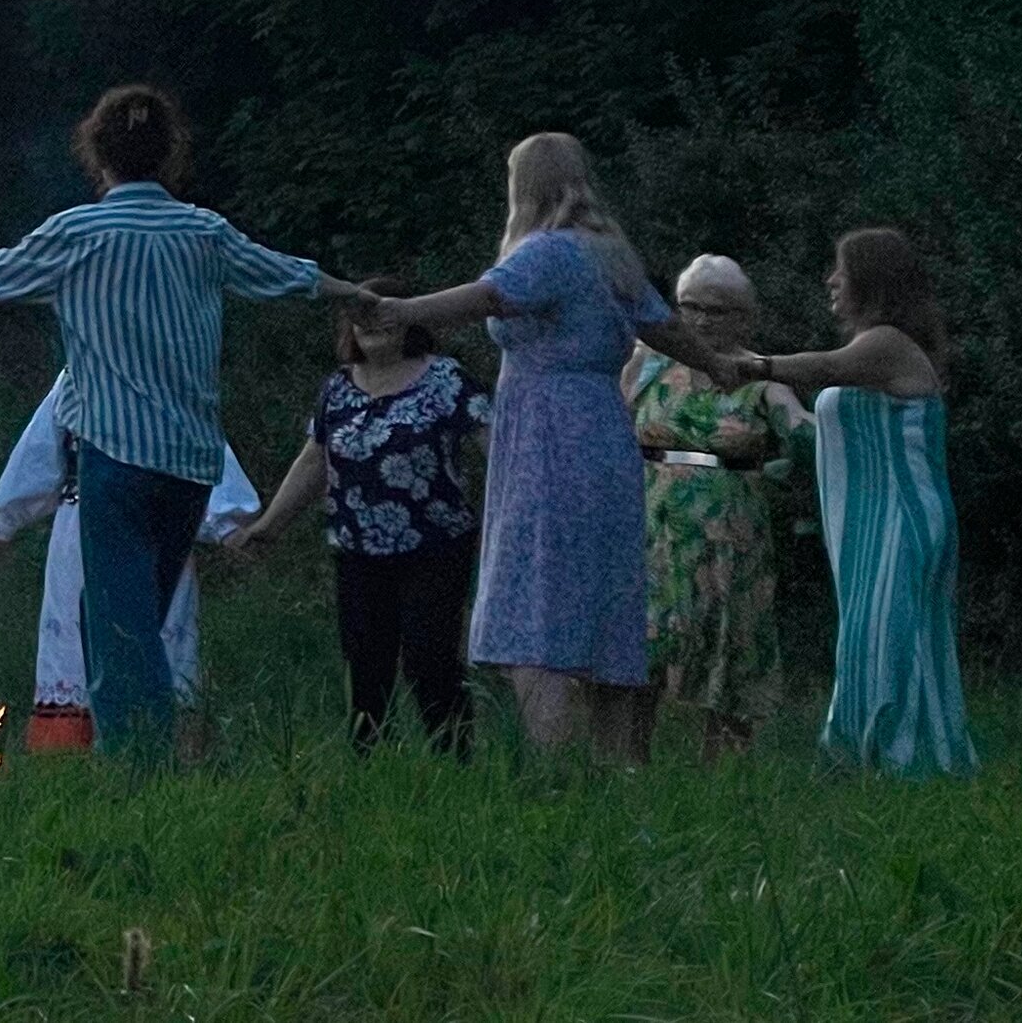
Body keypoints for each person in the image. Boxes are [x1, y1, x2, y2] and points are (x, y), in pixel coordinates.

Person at [0, 85, 372, 759]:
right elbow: (284, 274)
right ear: (170, 154)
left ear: (97, 156)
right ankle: (157, 753)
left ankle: (137, 774)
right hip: (190, 463)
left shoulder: (76, 233)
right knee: (142, 610)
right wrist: (354, 293)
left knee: (118, 625)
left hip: (114, 460)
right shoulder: (204, 232)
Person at [370, 134, 730, 762]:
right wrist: (718, 365)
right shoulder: (610, 254)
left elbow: (486, 297)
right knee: (604, 594)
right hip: (603, 431)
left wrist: (402, 310)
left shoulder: (546, 253)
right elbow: (664, 328)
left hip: (546, 435)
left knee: (538, 590)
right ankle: (621, 768)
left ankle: (554, 764)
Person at [714, 228, 975, 778]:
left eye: (841, 269)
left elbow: (826, 368)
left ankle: (896, 765)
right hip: (874, 524)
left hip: (902, 517)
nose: (831, 280)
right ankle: (877, 762)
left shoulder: (888, 344)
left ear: (872, 282)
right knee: (872, 637)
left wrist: (754, 366)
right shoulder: (880, 347)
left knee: (888, 640)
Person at [236, 278, 489, 754]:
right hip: (356, 549)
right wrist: (269, 526)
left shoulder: (446, 380)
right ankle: (371, 765)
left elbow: (493, 443)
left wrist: (512, 512)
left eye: (384, 316)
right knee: (365, 664)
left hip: (435, 545)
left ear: (410, 319)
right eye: (362, 318)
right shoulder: (336, 389)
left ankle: (456, 759)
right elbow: (315, 459)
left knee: (429, 659)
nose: (373, 327)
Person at [0, 371, 262, 752]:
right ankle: (75, 757)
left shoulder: (173, 378)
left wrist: (227, 524)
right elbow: (39, 455)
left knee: (160, 621)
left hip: (156, 520)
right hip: (80, 528)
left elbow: (203, 452)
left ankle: (161, 752)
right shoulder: (74, 381)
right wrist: (3, 526)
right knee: (75, 632)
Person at [624, 253, 810, 758]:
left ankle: (724, 772)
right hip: (652, 527)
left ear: (745, 317)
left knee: (734, 641)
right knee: (646, 641)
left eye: (718, 310)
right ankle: (630, 763)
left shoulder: (764, 379)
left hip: (733, 535)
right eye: (690, 307)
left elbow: (803, 437)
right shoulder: (646, 365)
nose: (702, 320)